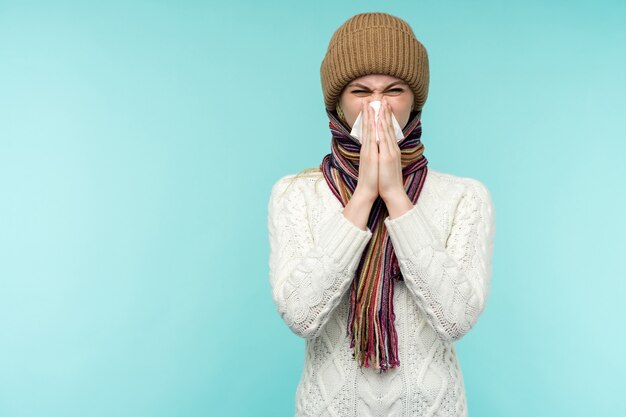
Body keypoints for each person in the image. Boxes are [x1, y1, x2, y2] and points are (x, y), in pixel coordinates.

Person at [267, 12, 496, 417]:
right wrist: (362, 197)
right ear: (337, 101)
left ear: (415, 100)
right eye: (360, 91)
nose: (377, 106)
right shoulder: (295, 195)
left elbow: (454, 320)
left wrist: (395, 196)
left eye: (394, 90)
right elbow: (302, 316)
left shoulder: (465, 197)